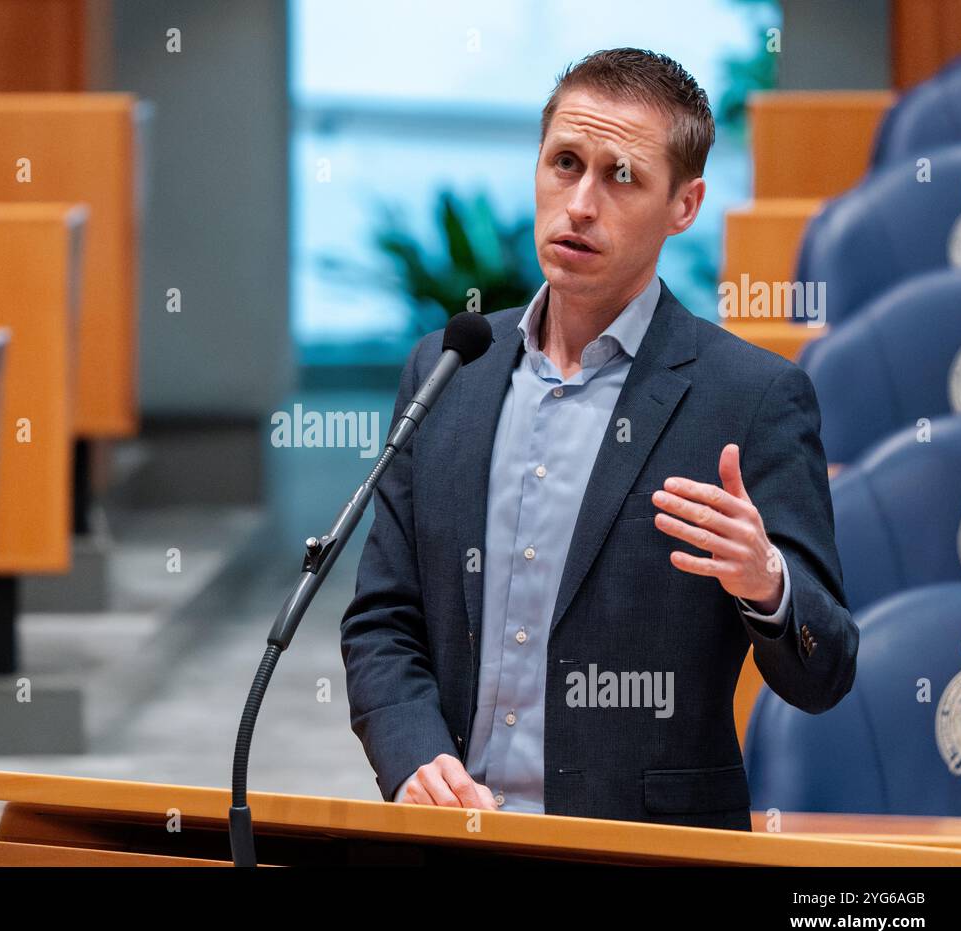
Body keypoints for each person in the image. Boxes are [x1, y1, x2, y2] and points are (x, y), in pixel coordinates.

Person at [340, 48, 857, 831]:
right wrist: (414, 757)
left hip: (647, 850)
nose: (580, 204)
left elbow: (828, 671)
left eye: (622, 177)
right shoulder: (448, 369)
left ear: (685, 205)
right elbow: (383, 618)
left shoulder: (751, 399)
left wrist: (768, 582)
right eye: (565, 163)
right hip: (456, 839)